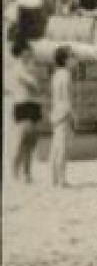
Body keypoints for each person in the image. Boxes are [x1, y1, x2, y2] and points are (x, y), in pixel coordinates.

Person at [8, 36, 45, 183]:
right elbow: (34, 85)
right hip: (23, 104)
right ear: (22, 51)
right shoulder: (18, 67)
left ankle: (27, 173)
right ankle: (14, 172)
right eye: (27, 49)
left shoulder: (29, 67)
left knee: (31, 141)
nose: (30, 52)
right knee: (21, 140)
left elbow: (38, 85)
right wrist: (35, 82)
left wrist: (36, 82)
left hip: (33, 104)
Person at [47, 46, 73, 188]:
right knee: (62, 148)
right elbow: (67, 98)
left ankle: (54, 179)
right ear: (65, 59)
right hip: (64, 112)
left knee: (55, 148)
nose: (74, 59)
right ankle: (61, 180)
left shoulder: (56, 74)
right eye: (71, 56)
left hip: (56, 112)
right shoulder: (66, 75)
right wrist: (73, 115)